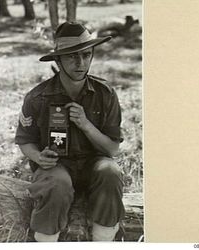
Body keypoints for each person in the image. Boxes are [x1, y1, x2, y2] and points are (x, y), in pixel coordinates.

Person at [15, 22, 125, 242]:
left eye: (86, 55)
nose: (80, 63)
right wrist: (39, 157)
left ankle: (103, 241)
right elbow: (25, 140)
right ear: (58, 60)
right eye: (71, 57)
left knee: (110, 171)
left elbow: (112, 149)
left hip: (93, 166)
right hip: (56, 168)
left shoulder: (105, 94)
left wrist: (85, 124)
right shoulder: (38, 98)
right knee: (56, 184)